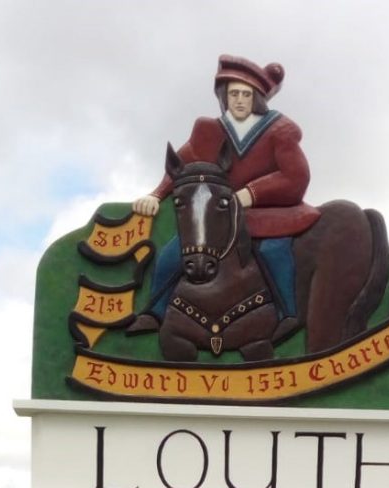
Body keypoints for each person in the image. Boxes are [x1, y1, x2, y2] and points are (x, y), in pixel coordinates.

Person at [128, 54, 320, 335]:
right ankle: (154, 313)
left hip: (268, 210)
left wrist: (250, 194)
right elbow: (181, 166)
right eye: (233, 94)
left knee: (273, 250)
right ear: (224, 97)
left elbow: (296, 177)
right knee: (174, 251)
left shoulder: (281, 131)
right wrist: (156, 195)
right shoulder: (209, 130)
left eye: (245, 94)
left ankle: (287, 314)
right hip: (217, 212)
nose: (239, 100)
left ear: (257, 97)